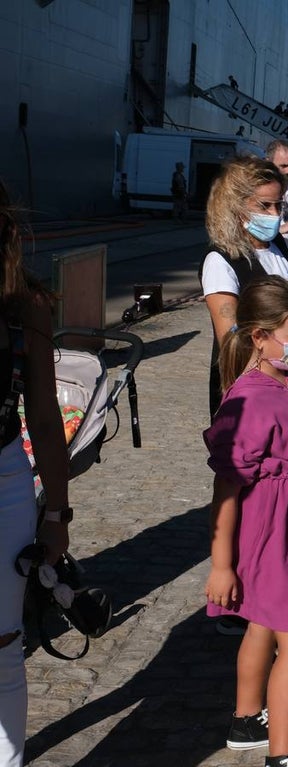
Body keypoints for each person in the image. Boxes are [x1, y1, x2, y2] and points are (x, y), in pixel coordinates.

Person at [204, 276, 288, 767]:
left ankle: (247, 718)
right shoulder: (249, 400)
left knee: (262, 625)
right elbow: (226, 490)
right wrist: (221, 565)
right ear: (260, 337)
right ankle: (281, 755)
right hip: (272, 532)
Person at [0, 182, 71, 767]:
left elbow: (45, 419)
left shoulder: (24, 304)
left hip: (5, 483)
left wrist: (55, 514)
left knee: (2, 649)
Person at [201, 155, 288, 418]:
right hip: (255, 400)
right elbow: (233, 342)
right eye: (264, 206)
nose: (274, 215)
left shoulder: (277, 245)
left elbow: (283, 312)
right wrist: (286, 386)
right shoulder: (222, 261)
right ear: (236, 207)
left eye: (278, 206)